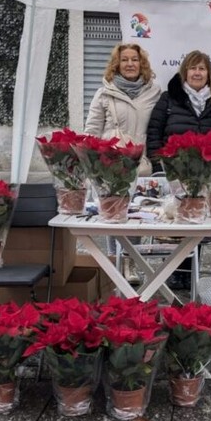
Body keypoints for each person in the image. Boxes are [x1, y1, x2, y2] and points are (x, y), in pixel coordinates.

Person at [147, 49, 211, 290]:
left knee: (197, 221)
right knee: (174, 221)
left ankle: (190, 271)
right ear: (185, 72)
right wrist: (158, 164)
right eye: (193, 68)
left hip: (203, 174)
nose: (197, 72)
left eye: (202, 68)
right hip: (173, 172)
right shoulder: (167, 99)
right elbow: (154, 132)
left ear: (208, 74)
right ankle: (174, 270)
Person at [85, 43, 161, 283]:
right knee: (112, 215)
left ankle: (130, 263)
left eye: (134, 60)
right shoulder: (104, 93)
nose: (130, 64)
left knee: (135, 215)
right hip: (110, 165)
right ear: (116, 65)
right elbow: (91, 132)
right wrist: (92, 164)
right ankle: (113, 263)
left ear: (142, 64)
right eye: (125, 60)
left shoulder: (154, 92)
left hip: (140, 165)